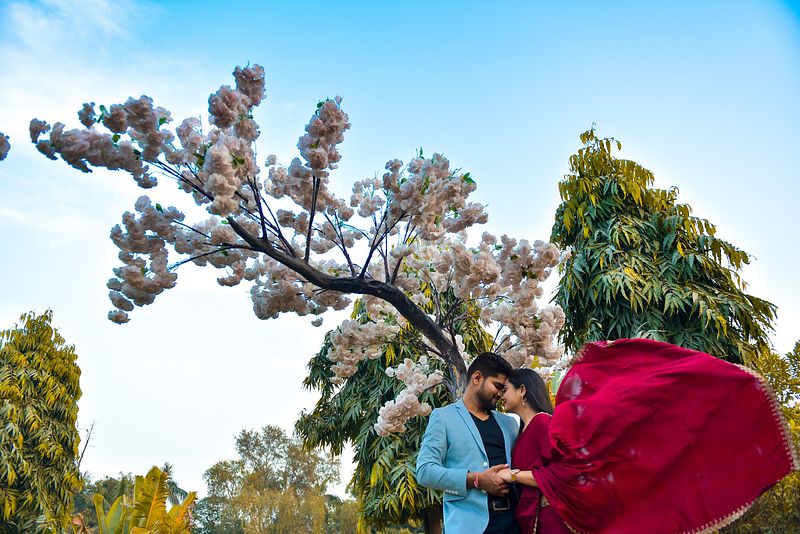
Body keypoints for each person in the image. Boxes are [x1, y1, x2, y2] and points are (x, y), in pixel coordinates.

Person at [498, 338, 799, 534]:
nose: (501, 395)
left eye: (505, 389)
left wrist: (513, 476)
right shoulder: (519, 429)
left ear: (522, 390)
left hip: (550, 521)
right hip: (530, 521)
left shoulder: (543, 424)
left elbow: (563, 474)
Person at [415, 352, 521, 533]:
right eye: (497, 386)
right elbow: (425, 471)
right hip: (468, 525)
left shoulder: (510, 423)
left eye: (503, 389)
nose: (500, 394)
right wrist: (476, 479)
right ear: (477, 378)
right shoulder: (443, 417)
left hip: (513, 524)